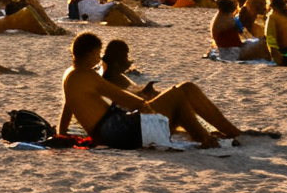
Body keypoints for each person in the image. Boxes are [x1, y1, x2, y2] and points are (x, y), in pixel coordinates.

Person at [56, 32, 255, 147]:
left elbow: (68, 107)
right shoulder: (86, 75)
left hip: (114, 130)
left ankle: (215, 134)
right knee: (180, 93)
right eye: (97, 54)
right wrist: (146, 108)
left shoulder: (70, 75)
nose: (98, 59)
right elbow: (125, 100)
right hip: (119, 132)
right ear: (89, 53)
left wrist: (62, 133)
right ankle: (210, 137)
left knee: (183, 92)